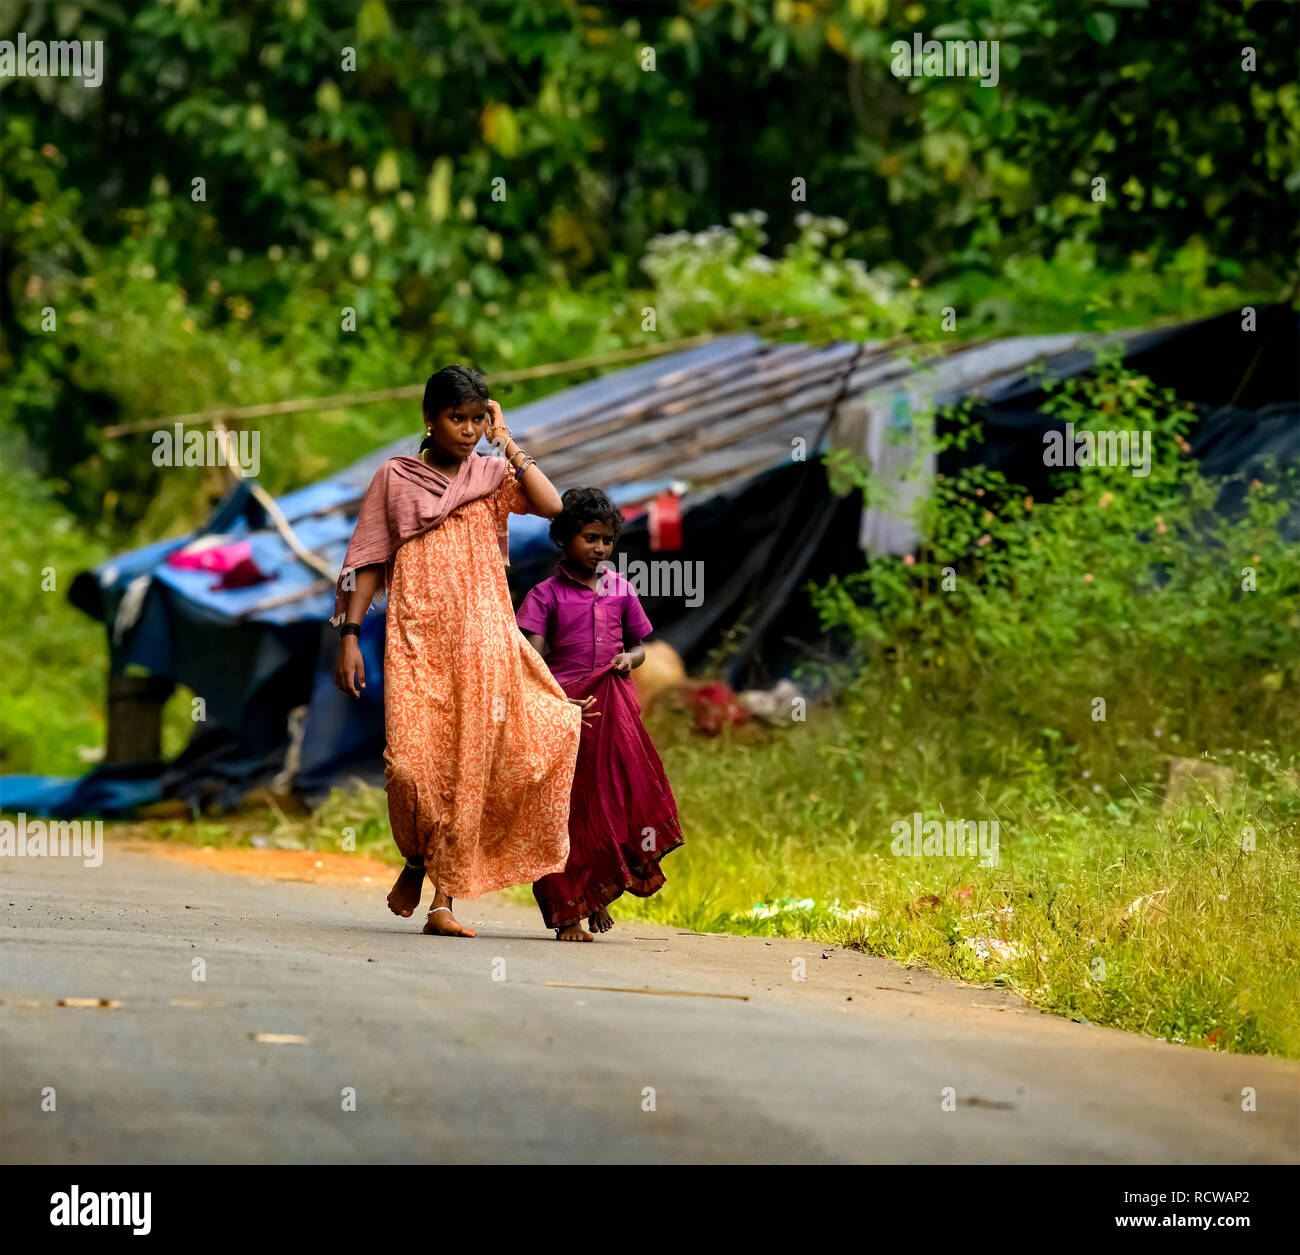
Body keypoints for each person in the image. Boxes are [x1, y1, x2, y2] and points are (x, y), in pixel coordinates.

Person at [332, 365, 584, 938]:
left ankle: (444, 902)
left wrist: (509, 442)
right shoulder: (395, 479)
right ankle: (417, 859)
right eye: (457, 418)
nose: (468, 430)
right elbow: (369, 559)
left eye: (477, 419)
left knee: (468, 768)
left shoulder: (492, 475)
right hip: (417, 638)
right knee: (409, 768)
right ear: (429, 418)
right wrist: (349, 636)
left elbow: (552, 507)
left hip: (483, 640)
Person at [517, 487, 683, 941]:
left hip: (615, 708)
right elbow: (532, 661)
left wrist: (630, 661)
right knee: (566, 808)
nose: (600, 549)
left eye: (607, 540)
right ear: (564, 539)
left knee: (618, 798)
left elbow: (638, 647)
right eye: (590, 538)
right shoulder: (544, 596)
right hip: (565, 712)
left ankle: (600, 894)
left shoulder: (621, 590)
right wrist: (555, 701)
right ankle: (569, 909)